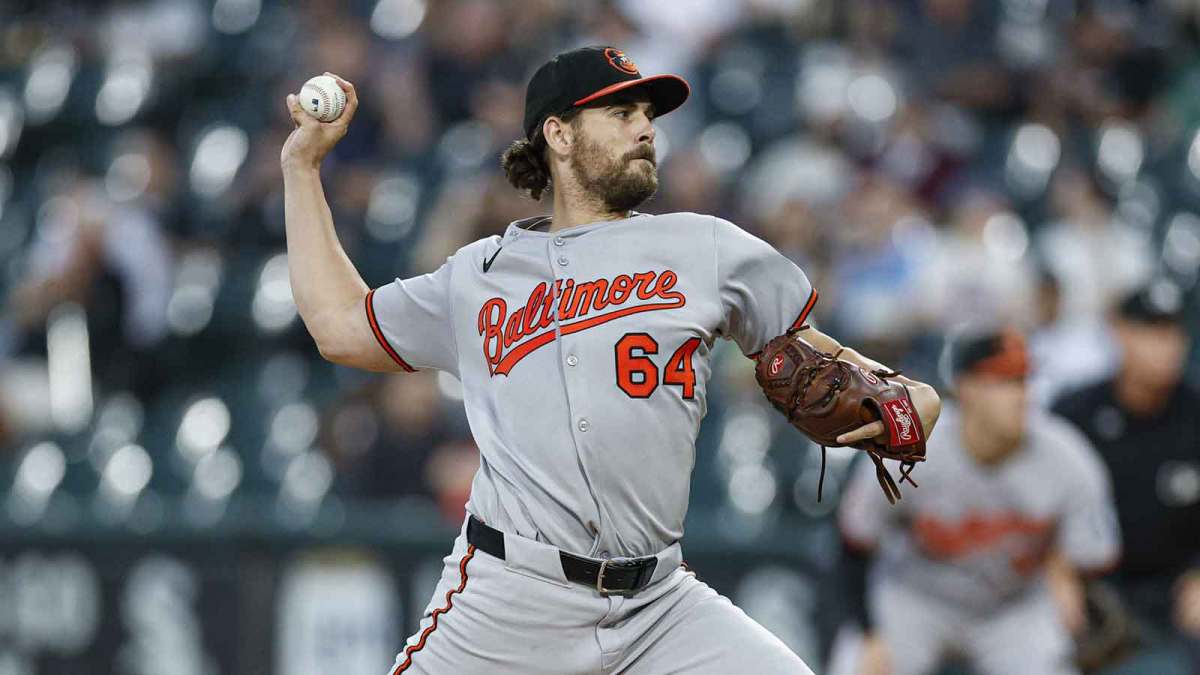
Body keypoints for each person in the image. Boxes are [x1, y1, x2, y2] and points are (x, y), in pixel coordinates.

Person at [280, 46, 941, 675]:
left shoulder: (708, 249)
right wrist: (302, 170)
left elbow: (847, 368)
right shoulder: (478, 276)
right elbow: (340, 326)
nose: (645, 129)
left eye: (648, 116)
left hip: (658, 603)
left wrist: (916, 405)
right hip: (511, 600)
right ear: (560, 136)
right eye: (621, 113)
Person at [839, 329, 1120, 675]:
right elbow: (853, 545)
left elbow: (1096, 557)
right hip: (915, 600)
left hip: (1011, 609)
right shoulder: (910, 451)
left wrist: (1063, 569)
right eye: (1004, 382)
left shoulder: (1066, 458)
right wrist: (870, 634)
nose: (1021, 395)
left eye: (1024, 380)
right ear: (966, 388)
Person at [1052, 283, 1200, 675]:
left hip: (1177, 589)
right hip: (1094, 590)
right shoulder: (1074, 415)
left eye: (1173, 332)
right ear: (1119, 332)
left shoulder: (1196, 413)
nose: (1167, 345)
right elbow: (1036, 499)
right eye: (1151, 331)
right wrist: (1055, 570)